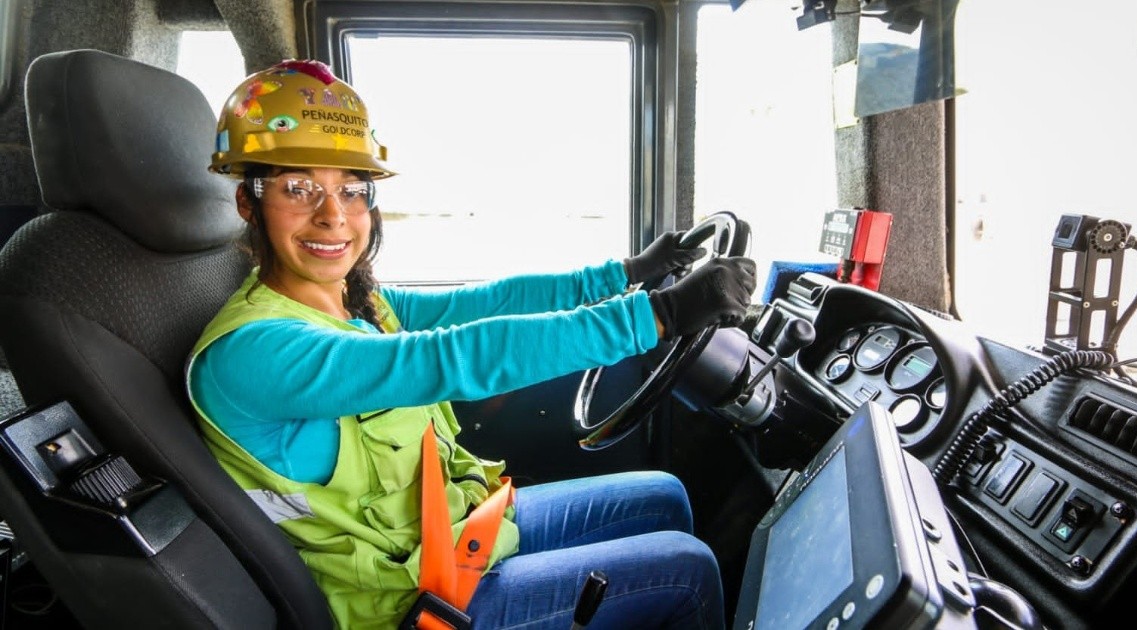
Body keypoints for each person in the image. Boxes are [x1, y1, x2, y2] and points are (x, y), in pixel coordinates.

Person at [185, 59, 756, 630]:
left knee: (663, 494)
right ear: (247, 203)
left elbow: (484, 304)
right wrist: (661, 314)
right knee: (686, 570)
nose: (333, 215)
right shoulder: (254, 351)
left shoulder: (352, 301)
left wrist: (626, 272)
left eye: (352, 189)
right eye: (298, 187)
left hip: (456, 534)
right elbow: (455, 356)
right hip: (413, 601)